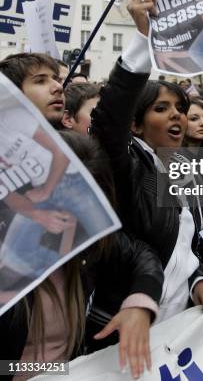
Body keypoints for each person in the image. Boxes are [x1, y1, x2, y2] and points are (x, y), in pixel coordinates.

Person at [90, 0, 203, 324]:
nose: (177, 115)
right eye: (161, 108)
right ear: (135, 125)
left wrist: (200, 282)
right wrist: (142, 37)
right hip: (119, 330)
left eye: (180, 108)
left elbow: (183, 250)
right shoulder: (127, 165)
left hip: (175, 332)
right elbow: (108, 122)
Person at [0, 132, 163, 380]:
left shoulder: (88, 242)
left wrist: (139, 305)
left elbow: (141, 255)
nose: (70, 220)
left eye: (83, 207)